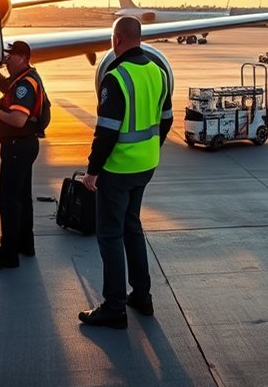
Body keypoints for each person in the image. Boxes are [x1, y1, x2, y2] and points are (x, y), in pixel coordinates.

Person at [78, 17, 173, 329]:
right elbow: (167, 119)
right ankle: (142, 296)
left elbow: (106, 132)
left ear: (116, 40)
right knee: (132, 227)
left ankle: (115, 306)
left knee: (109, 235)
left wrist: (93, 171)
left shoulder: (116, 77)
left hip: (118, 169)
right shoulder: (158, 72)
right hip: (146, 166)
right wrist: (150, 146)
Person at [0, 40, 48, 272]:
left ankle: (9, 254)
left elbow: (18, 119)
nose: (7, 62)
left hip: (18, 148)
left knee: (8, 199)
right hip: (24, 147)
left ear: (23, 58)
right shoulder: (24, 79)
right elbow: (10, 88)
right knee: (22, 197)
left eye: (10, 58)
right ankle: (23, 244)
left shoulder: (24, 85)